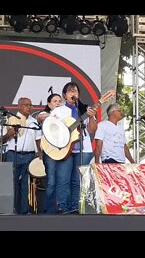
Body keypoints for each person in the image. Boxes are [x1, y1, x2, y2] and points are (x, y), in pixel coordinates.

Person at [49, 82, 97, 214]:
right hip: (64, 149)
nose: (73, 93)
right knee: (63, 179)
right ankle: (62, 206)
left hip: (83, 148)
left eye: (75, 91)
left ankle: (75, 207)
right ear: (65, 95)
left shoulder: (85, 109)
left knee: (77, 180)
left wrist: (92, 116)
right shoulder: (58, 111)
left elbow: (92, 130)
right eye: (70, 91)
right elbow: (50, 127)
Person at [1, 97, 42, 214]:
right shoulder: (11, 119)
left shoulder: (34, 122)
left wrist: (40, 154)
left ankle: (24, 210)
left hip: (29, 155)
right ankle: (10, 209)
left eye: (30, 105)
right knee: (11, 183)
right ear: (19, 106)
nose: (29, 107)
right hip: (13, 154)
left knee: (26, 184)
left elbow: (38, 140)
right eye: (26, 105)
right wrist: (9, 133)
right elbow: (1, 140)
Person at [37, 93, 62, 214]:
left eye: (59, 101)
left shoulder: (63, 114)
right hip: (50, 152)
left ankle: (61, 206)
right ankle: (48, 209)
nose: (58, 103)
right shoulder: (45, 114)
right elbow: (41, 118)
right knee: (51, 181)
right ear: (49, 104)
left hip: (63, 151)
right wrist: (55, 115)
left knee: (62, 180)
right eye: (55, 101)